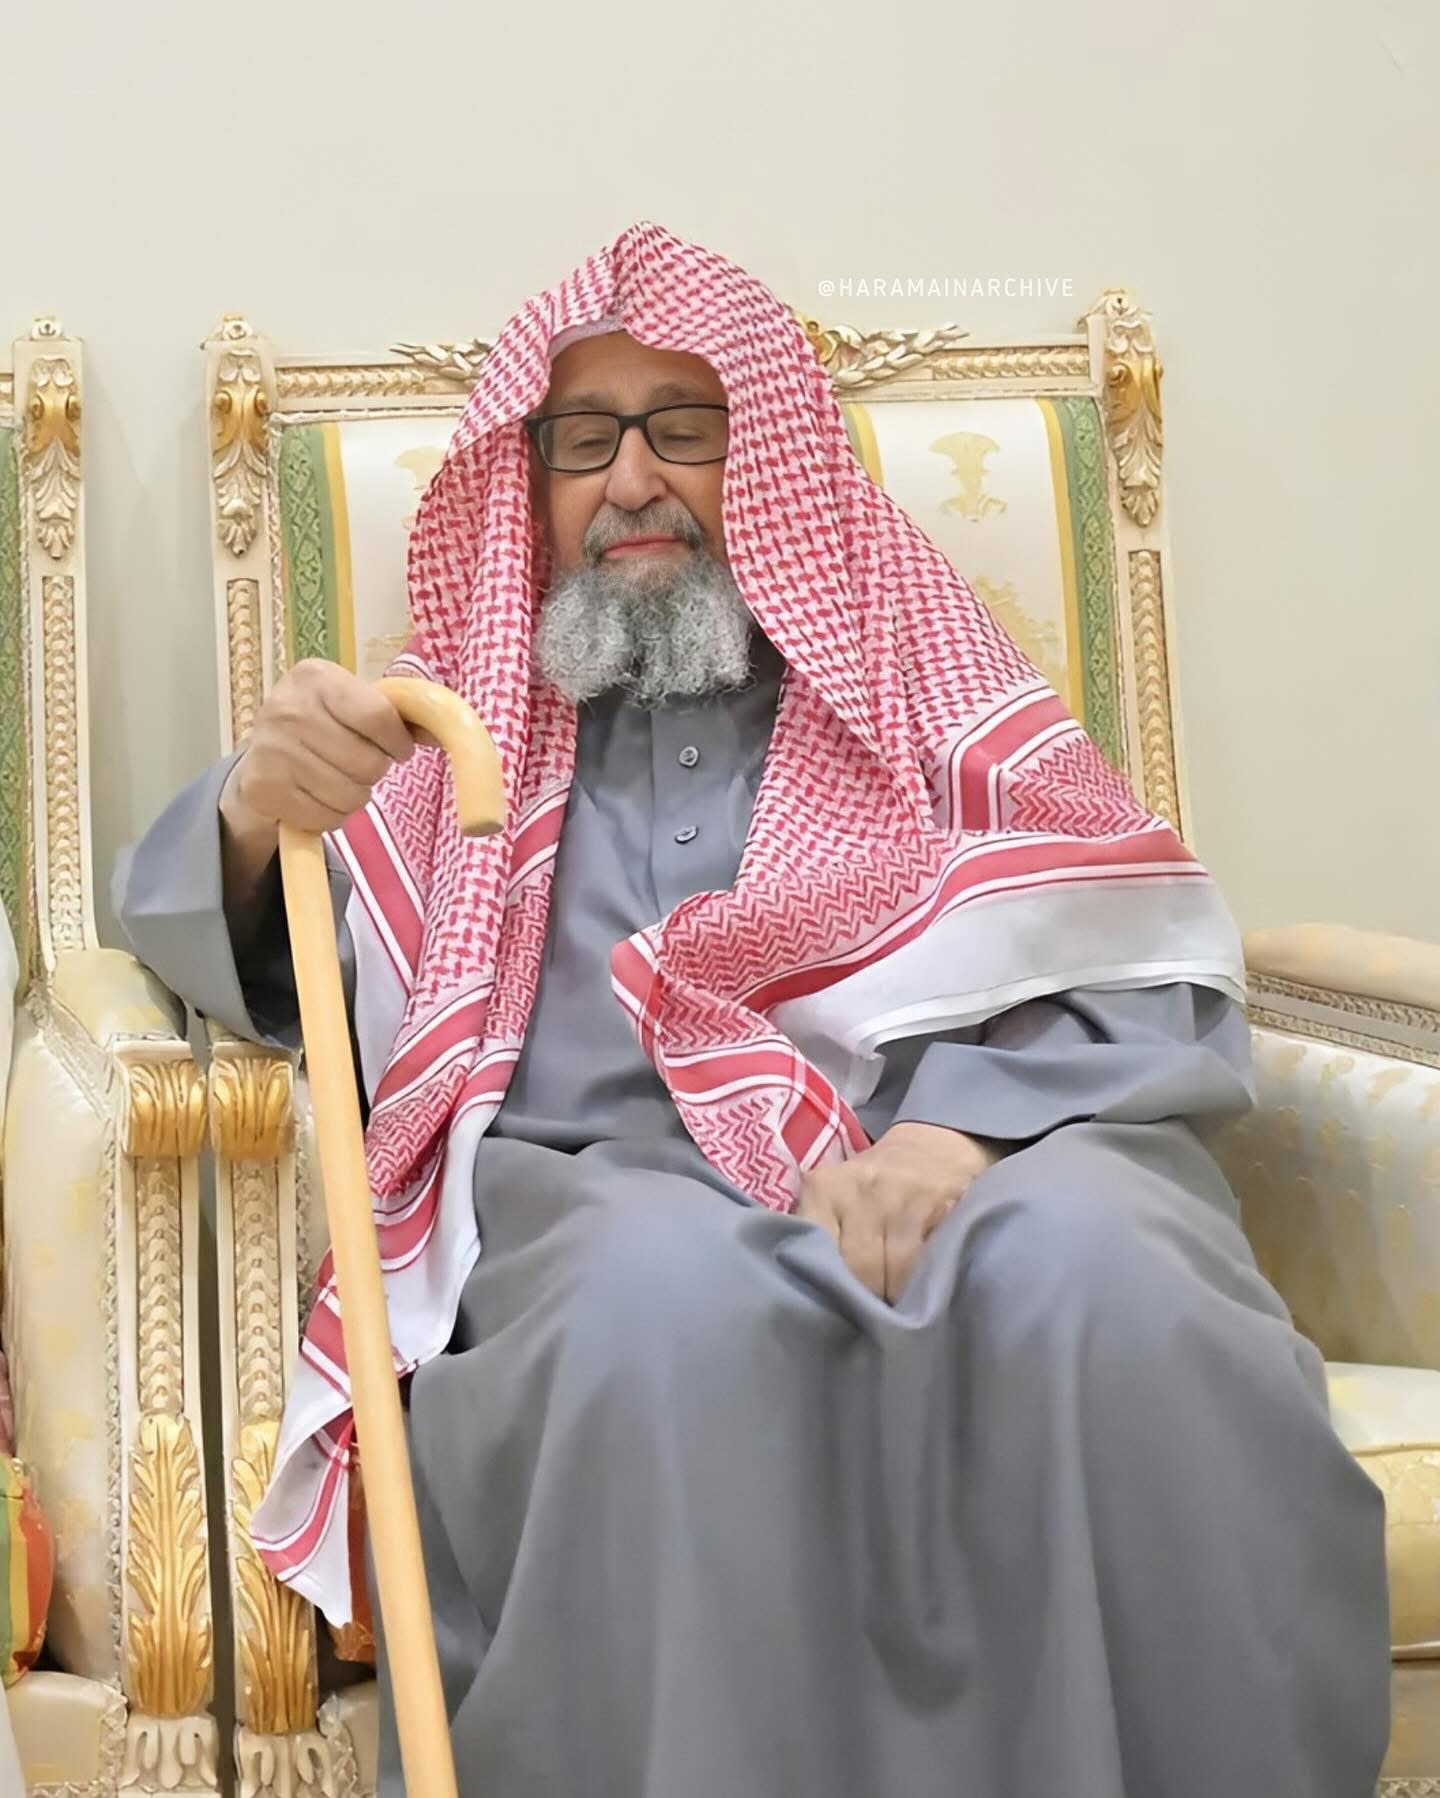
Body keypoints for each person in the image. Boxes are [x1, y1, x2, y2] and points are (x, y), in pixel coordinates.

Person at [116, 222, 1389, 1798]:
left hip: (980, 1154)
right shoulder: (461, 734)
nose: (633, 478)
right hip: (604, 1196)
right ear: (532, 484)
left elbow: (1122, 951)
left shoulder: (912, 676)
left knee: (1113, 1283)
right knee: (662, 1330)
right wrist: (256, 805)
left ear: (772, 454)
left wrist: (952, 1139)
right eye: (585, 440)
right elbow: (230, 935)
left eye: (685, 428)